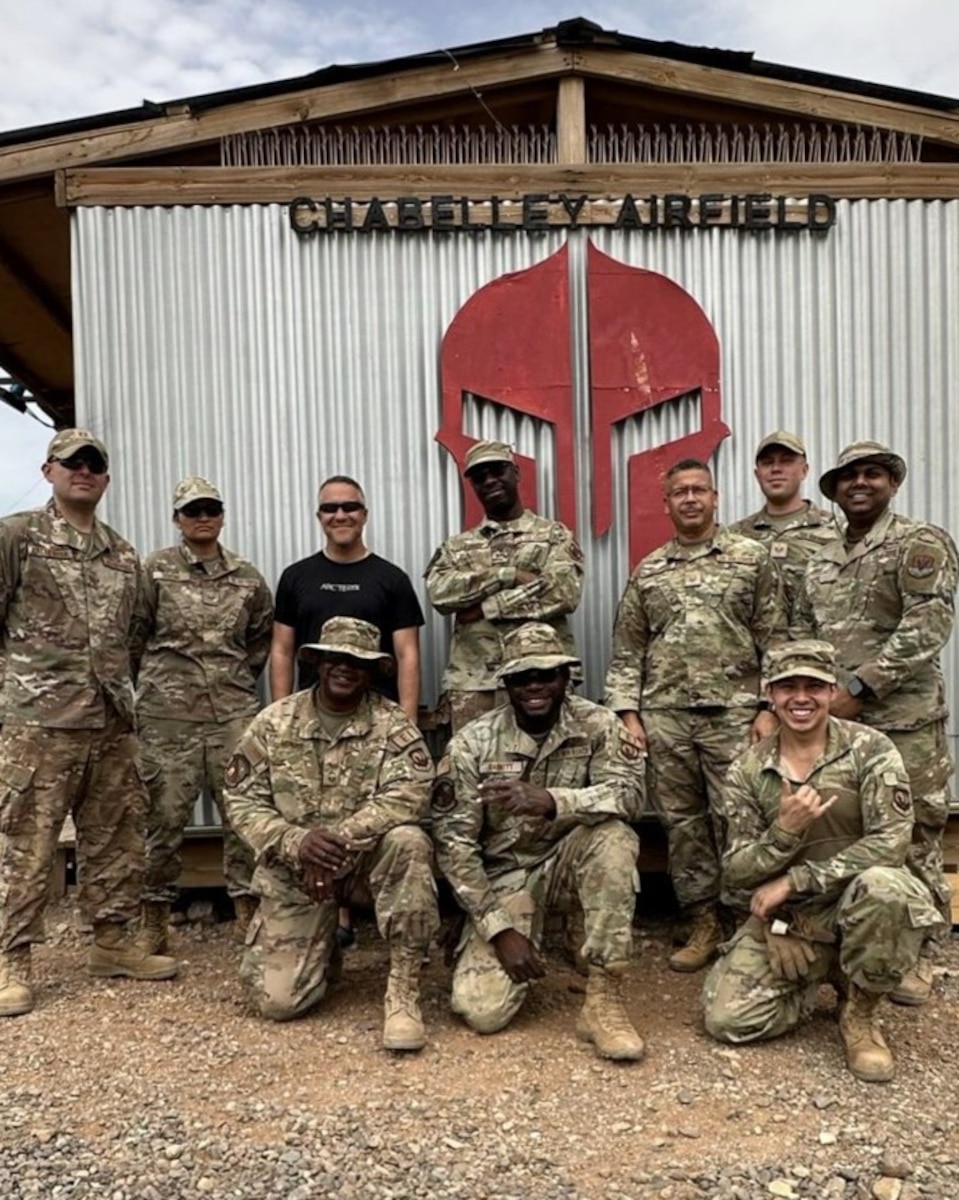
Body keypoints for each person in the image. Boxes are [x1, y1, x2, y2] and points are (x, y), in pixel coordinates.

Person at [703, 640, 943, 1083]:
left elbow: (891, 841)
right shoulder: (748, 770)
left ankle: (861, 1013)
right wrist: (783, 839)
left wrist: (795, 880)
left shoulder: (871, 749)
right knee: (729, 1020)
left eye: (813, 686)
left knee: (888, 887)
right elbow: (738, 869)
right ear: (770, 696)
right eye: (787, 687)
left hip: (857, 903)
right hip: (793, 918)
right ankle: (821, 975)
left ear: (832, 691)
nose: (800, 698)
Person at [0, 428, 177, 1016]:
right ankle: (12, 960)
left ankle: (111, 941)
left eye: (94, 463)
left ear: (106, 477)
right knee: (26, 841)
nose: (85, 471)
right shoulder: (18, 537)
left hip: (110, 719)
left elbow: (132, 637)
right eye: (73, 462)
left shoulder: (122, 555)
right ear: (49, 469)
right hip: (38, 721)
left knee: (116, 837)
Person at [605, 458, 787, 973]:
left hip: (735, 714)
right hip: (666, 716)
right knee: (682, 824)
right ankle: (703, 920)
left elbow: (775, 635)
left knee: (740, 817)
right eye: (679, 492)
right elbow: (628, 649)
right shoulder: (651, 570)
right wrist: (627, 713)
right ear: (666, 504)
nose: (689, 499)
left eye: (698, 490)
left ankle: (745, 923)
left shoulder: (751, 559)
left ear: (715, 497)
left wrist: (768, 707)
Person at [792, 440, 958, 1006]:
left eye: (871, 475)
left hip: (902, 721)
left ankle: (915, 958)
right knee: (852, 831)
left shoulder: (919, 544)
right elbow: (804, 637)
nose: (859, 484)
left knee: (914, 835)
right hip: (839, 725)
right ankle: (860, 943)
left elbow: (928, 625)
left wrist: (860, 688)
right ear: (835, 490)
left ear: (892, 483)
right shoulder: (820, 558)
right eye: (848, 478)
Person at [433, 622, 646, 1060]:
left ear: (566, 677)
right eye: (522, 677)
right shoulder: (473, 743)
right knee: (481, 1012)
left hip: (567, 864)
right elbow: (455, 847)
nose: (535, 686)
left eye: (546, 674)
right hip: (504, 879)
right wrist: (499, 929)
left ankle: (603, 1001)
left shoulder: (598, 724)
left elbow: (630, 796)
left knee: (614, 837)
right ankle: (518, 930)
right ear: (506, 684)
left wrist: (554, 801)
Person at [224, 616, 438, 1051]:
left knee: (409, 842)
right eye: (335, 659)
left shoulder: (392, 724)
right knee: (277, 1002)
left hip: (363, 864)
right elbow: (240, 799)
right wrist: (297, 843)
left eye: (356, 662)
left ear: (372, 671)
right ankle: (323, 951)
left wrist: (336, 842)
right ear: (318, 664)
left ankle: (402, 991)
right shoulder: (275, 722)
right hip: (296, 869)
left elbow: (412, 794)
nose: (345, 668)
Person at [270, 474, 425, 947]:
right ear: (319, 517)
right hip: (310, 725)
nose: (341, 515)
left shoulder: (390, 579)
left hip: (372, 723)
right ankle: (331, 914)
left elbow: (408, 654)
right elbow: (281, 649)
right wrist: (280, 719)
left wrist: (407, 722)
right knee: (316, 813)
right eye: (330, 508)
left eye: (350, 507)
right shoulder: (297, 577)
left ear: (364, 513)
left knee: (371, 814)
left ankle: (379, 909)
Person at [135, 476, 274, 952]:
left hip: (232, 713)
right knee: (163, 817)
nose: (202, 517)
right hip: (167, 716)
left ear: (222, 515)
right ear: (177, 518)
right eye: (192, 510)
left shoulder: (247, 577)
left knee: (244, 814)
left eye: (210, 508)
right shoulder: (154, 571)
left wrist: (230, 683)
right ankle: (153, 917)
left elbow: (259, 642)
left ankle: (247, 910)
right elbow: (134, 637)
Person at [426, 441, 583, 733]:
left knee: (550, 768)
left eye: (497, 471)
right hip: (475, 683)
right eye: (479, 476)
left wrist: (487, 607)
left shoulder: (553, 536)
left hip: (542, 677)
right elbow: (440, 594)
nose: (489, 481)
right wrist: (507, 575)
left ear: (515, 472)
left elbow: (564, 593)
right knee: (475, 771)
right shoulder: (456, 547)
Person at [729, 430, 838, 612]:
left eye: (786, 461)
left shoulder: (838, 530)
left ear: (804, 470)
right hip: (756, 639)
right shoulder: (735, 536)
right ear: (757, 474)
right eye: (767, 462)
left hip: (815, 638)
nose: (776, 469)